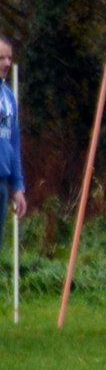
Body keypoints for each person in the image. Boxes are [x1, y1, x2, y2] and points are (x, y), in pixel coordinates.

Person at [0, 35, 27, 241]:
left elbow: (14, 144)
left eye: (9, 58)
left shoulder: (8, 98)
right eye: (1, 58)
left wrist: (17, 187)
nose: (7, 63)